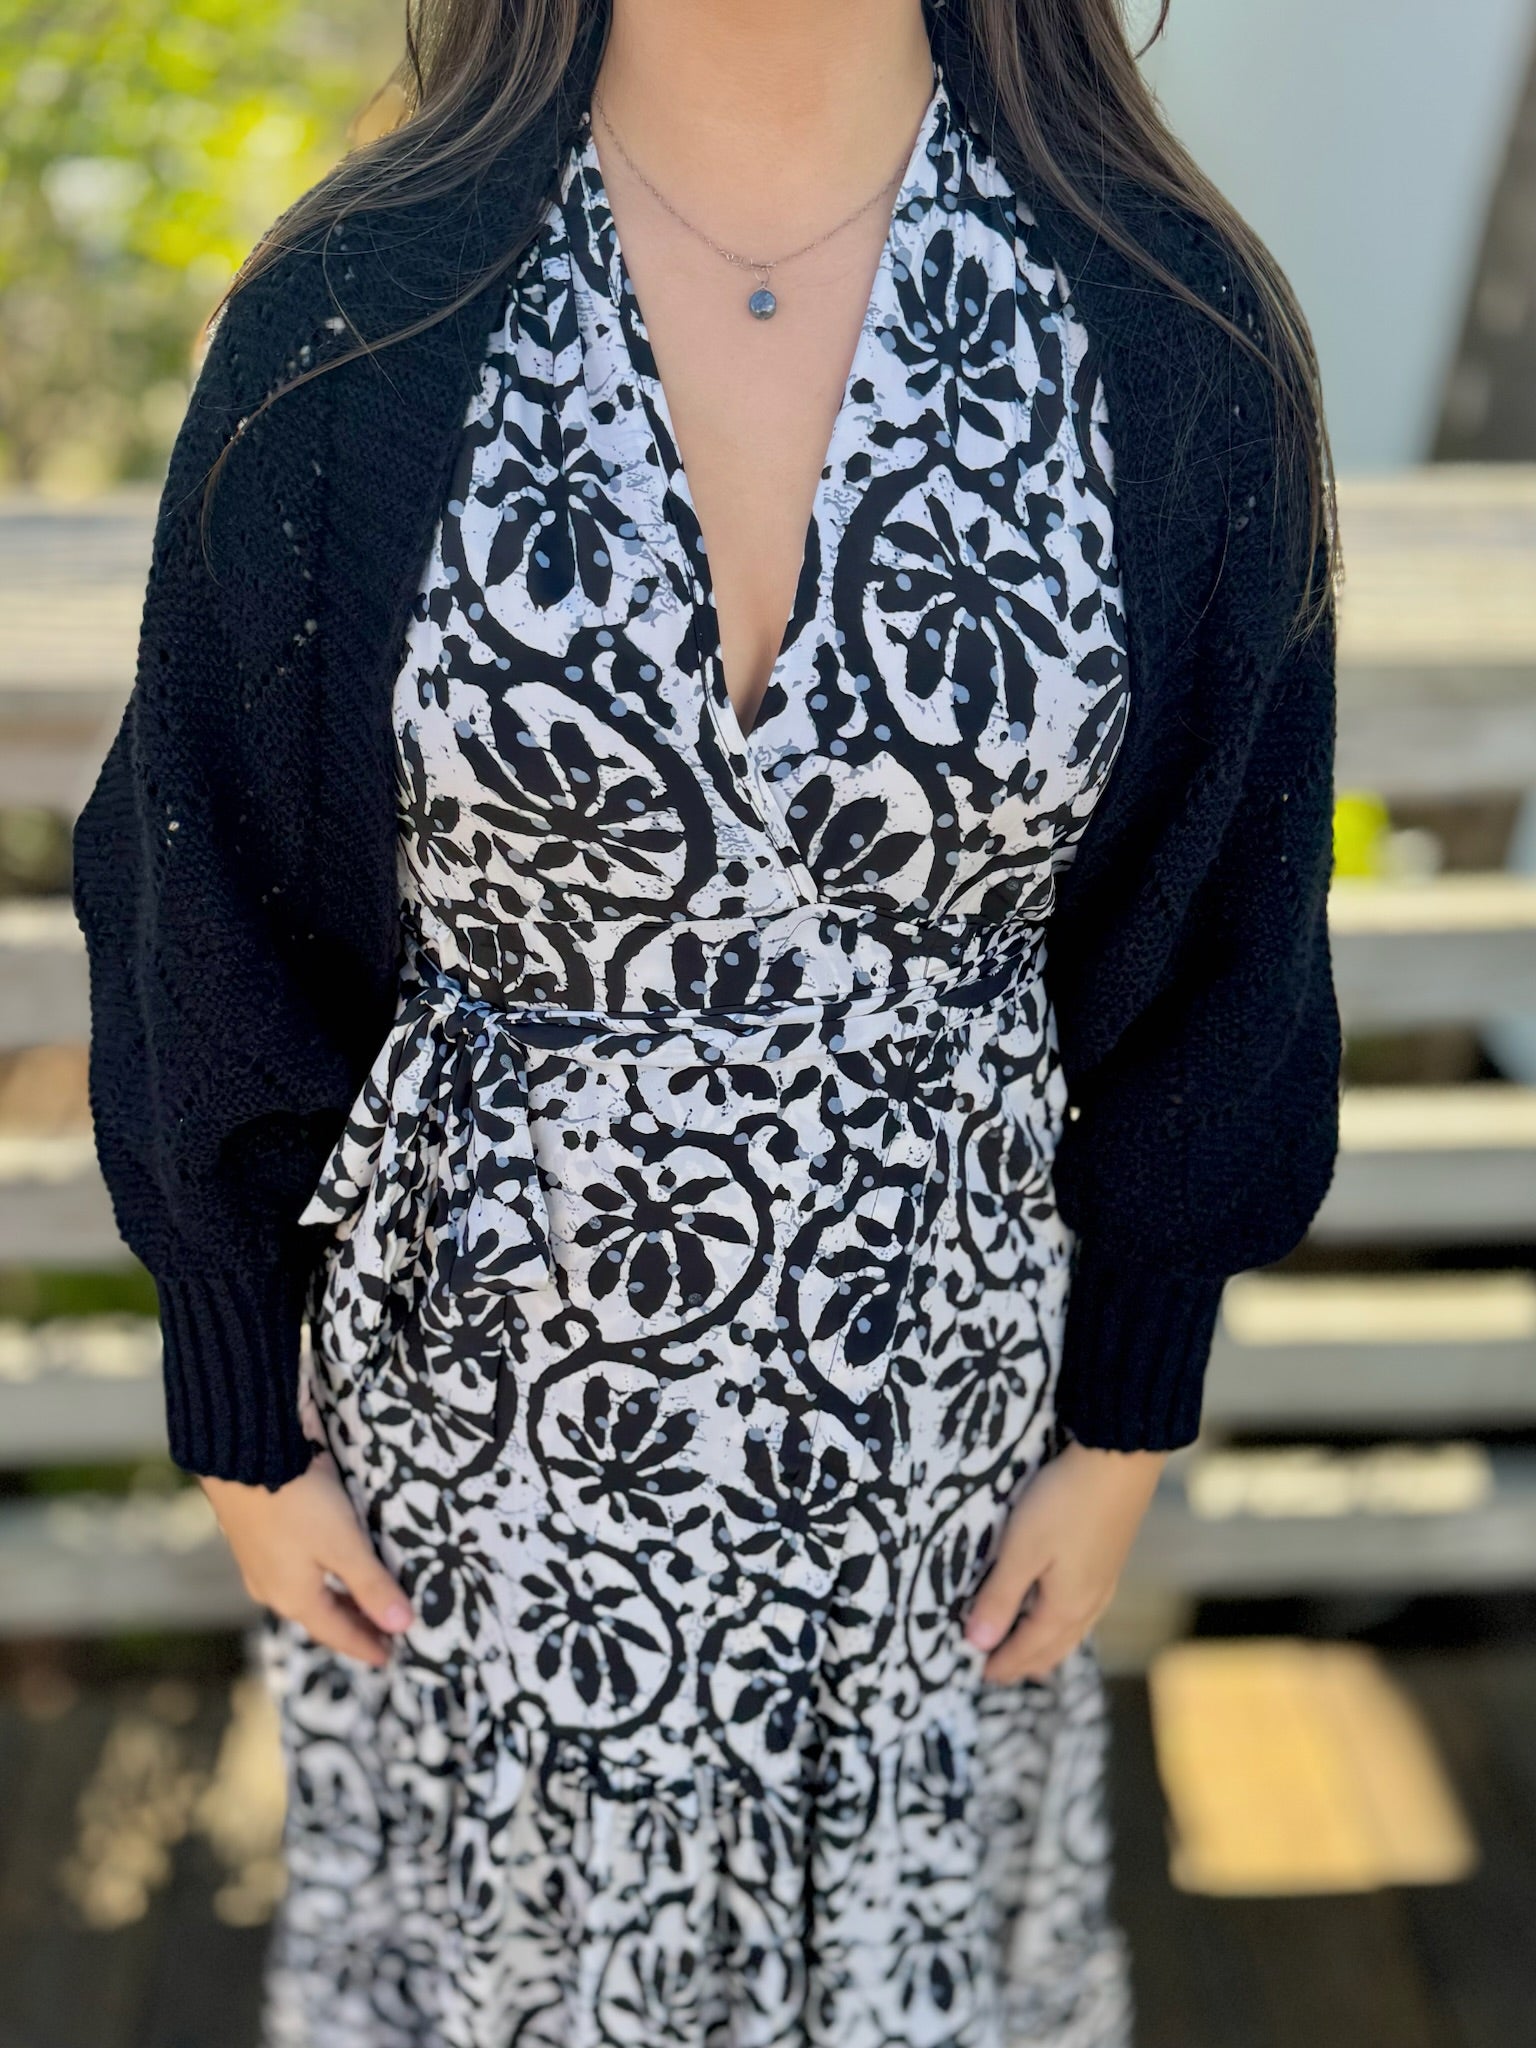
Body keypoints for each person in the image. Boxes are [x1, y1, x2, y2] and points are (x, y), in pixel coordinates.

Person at [73, 0, 1341, 2041]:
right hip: (483, 1475)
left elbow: (1229, 925)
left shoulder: (1167, 322)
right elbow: (197, 881)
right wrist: (235, 1392)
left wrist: (1129, 1413)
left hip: (938, 1456)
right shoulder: (365, 306)